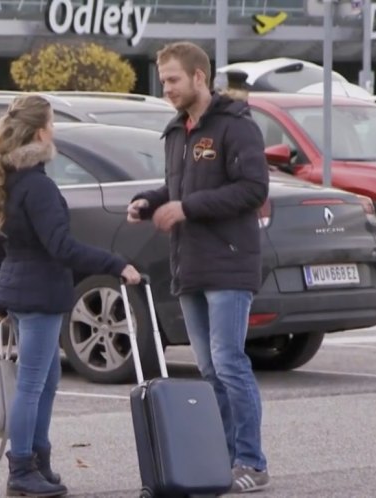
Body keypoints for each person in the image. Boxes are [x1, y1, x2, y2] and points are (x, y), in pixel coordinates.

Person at [126, 41, 270, 494]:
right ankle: (223, 460)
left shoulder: (235, 126)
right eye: (163, 80)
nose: (166, 88)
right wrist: (151, 201)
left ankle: (252, 461)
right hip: (189, 266)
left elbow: (252, 188)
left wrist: (187, 207)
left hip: (229, 263)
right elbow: (175, 186)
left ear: (199, 78)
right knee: (209, 372)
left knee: (230, 364)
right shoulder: (175, 131)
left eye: (173, 79)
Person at [0, 94, 141, 497]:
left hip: (23, 294)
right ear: (40, 133)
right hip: (39, 297)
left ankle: (39, 459)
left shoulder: (10, 180)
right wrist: (115, 263)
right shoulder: (39, 187)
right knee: (32, 385)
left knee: (46, 381)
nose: (54, 130)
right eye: (52, 123)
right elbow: (62, 247)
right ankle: (21, 471)